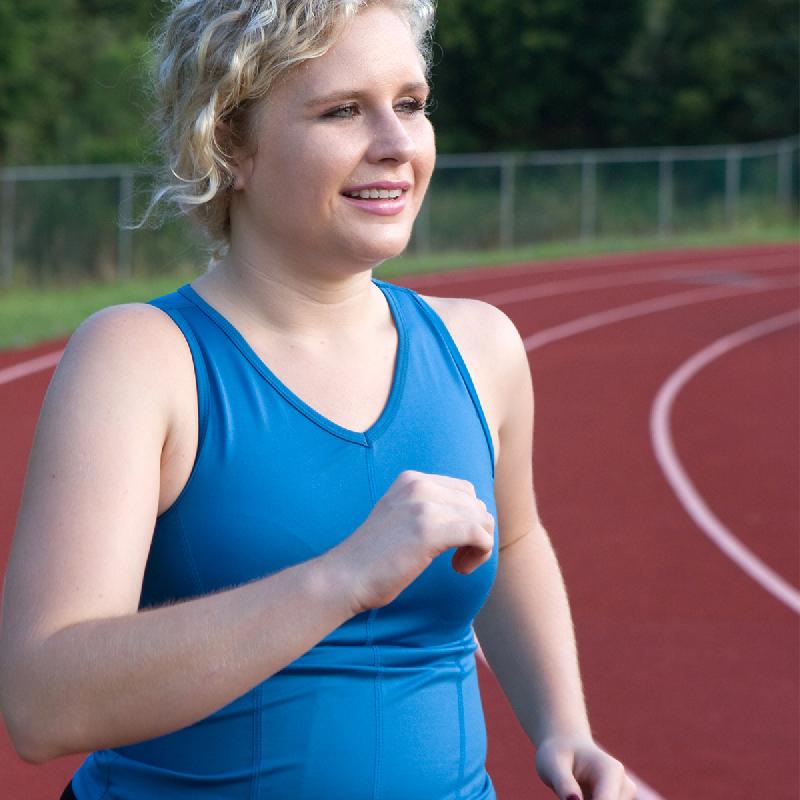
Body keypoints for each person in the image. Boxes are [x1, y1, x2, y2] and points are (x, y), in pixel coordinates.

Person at [0, 1, 637, 798]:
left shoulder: (482, 348)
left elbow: (511, 543)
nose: (398, 144)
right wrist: (343, 577)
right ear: (230, 142)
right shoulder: (143, 360)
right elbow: (41, 701)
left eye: (410, 104)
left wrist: (563, 726)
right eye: (344, 110)